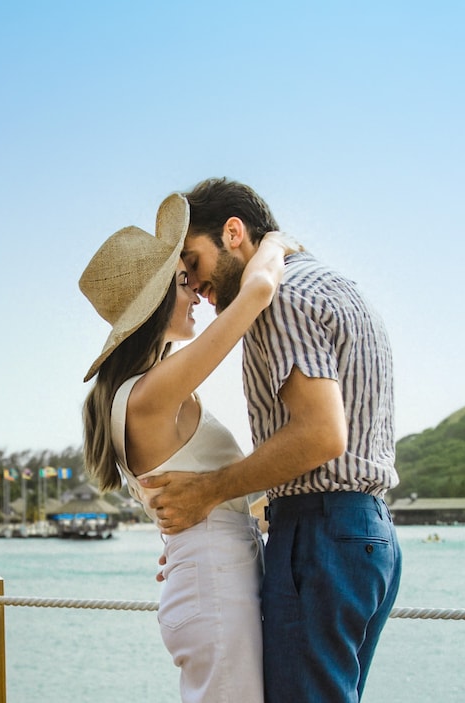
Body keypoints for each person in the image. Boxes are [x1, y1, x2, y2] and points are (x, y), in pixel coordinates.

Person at [142, 177, 402, 703]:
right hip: (367, 533)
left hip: (321, 537)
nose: (193, 283)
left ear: (233, 233)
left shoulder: (279, 300)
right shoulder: (331, 284)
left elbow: (321, 436)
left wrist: (207, 494)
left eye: (193, 262)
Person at [79, 193, 292, 702]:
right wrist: (276, 242)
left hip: (207, 580)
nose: (196, 293)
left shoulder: (139, 393)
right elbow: (259, 287)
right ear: (154, 307)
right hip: (214, 589)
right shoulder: (152, 394)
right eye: (182, 283)